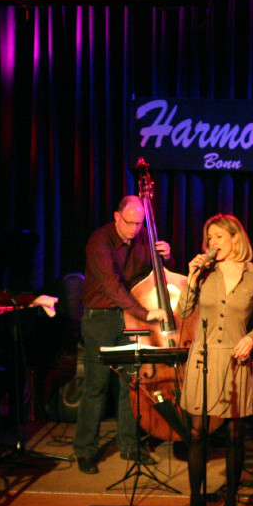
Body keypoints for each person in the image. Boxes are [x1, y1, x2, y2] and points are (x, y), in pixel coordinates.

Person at [176, 214, 253, 506]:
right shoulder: (204, 272)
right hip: (202, 358)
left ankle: (231, 503)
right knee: (196, 434)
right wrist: (191, 278)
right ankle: (195, 503)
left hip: (235, 360)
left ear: (235, 238)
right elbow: (183, 311)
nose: (212, 242)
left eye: (219, 236)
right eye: (210, 237)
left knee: (235, 436)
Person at [72, 195, 172, 473]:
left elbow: (157, 274)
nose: (134, 229)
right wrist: (145, 313)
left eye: (139, 224)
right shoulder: (100, 241)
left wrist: (166, 256)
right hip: (100, 319)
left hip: (128, 317)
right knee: (96, 386)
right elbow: (112, 286)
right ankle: (85, 450)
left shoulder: (142, 238)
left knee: (131, 385)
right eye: (129, 222)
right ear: (117, 217)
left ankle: (129, 446)